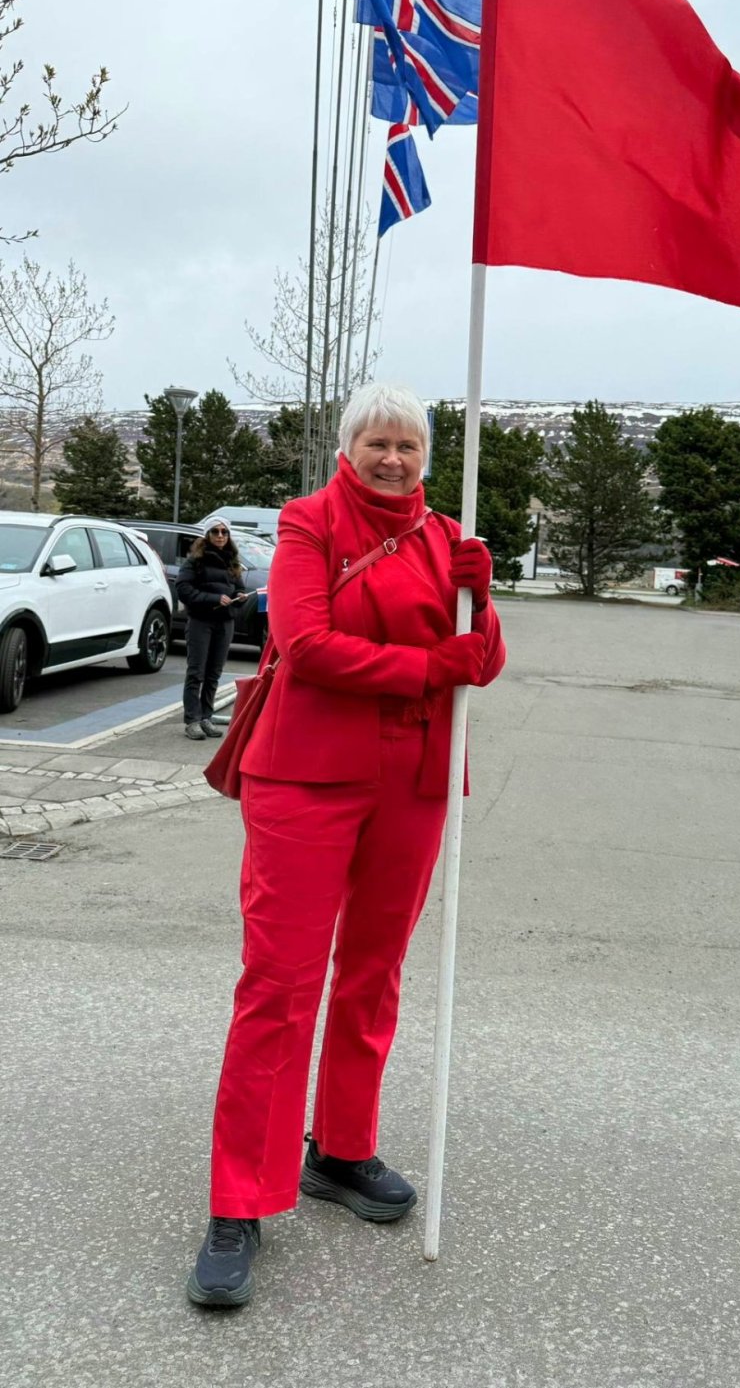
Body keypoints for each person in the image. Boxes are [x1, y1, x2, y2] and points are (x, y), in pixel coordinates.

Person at [187, 382, 506, 1308]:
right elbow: (307, 642)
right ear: (348, 445)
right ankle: (239, 1197)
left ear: (426, 456)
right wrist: (429, 664)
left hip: (415, 780)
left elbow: (483, 661)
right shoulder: (307, 523)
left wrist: (480, 600)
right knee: (279, 983)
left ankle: (342, 1147)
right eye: (378, 441)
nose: (393, 458)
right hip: (307, 776)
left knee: (374, 971)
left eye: (409, 445)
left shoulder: (448, 537)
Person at [176, 519, 247, 741]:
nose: (220, 535)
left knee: (214, 673)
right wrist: (213, 598)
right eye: (215, 531)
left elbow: (239, 588)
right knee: (196, 672)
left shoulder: (231, 561)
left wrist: (239, 598)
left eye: (224, 532)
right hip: (201, 621)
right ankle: (192, 720)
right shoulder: (195, 560)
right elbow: (183, 588)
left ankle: (206, 716)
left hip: (224, 622)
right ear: (207, 535)